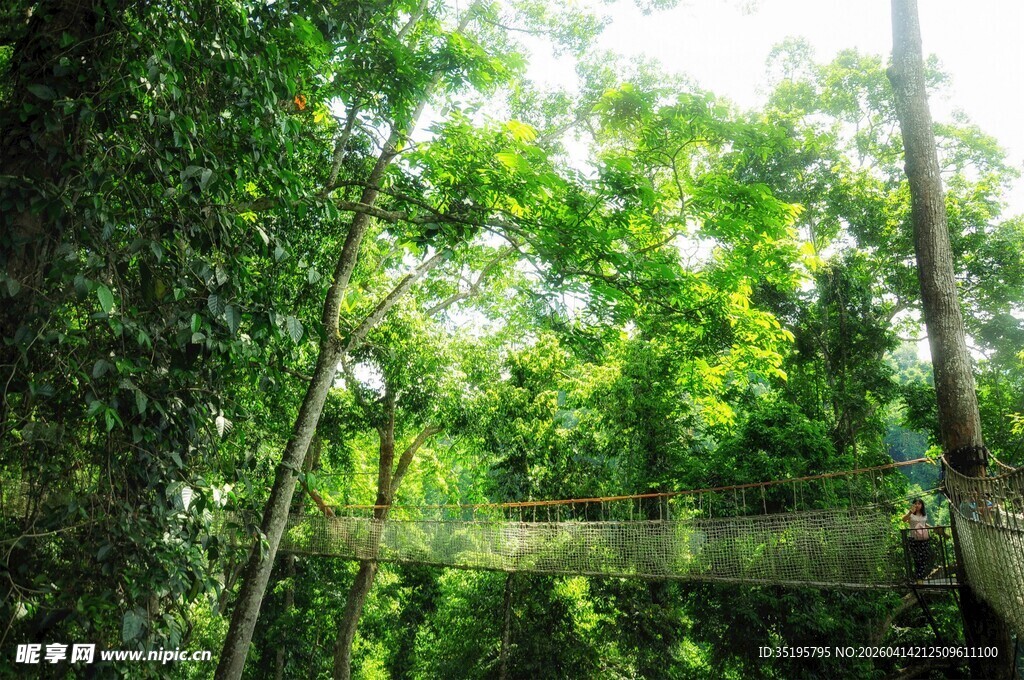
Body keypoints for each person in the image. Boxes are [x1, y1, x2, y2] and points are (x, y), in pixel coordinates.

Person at [902, 498, 932, 580]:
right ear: (913, 505)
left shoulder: (924, 515)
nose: (917, 505)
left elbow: (924, 524)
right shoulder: (911, 515)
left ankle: (920, 577)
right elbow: (904, 520)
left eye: (919, 504)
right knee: (917, 558)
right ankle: (919, 578)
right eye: (916, 503)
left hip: (923, 538)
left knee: (924, 558)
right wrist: (910, 512)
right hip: (914, 539)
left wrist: (934, 528)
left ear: (922, 505)